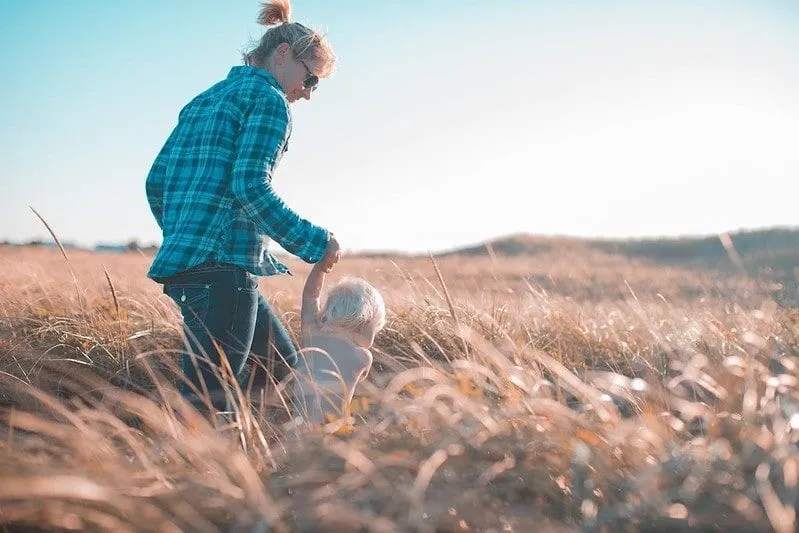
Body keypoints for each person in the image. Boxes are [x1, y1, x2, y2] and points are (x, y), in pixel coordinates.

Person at [145, 0, 338, 413]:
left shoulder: (203, 100)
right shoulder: (270, 101)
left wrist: (186, 236)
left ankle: (286, 470)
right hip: (223, 271)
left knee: (284, 375)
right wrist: (316, 243)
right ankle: (196, 475)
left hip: (192, 266)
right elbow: (250, 186)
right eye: (312, 80)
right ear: (284, 55)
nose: (307, 93)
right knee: (207, 407)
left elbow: (156, 182)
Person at [290, 254, 386, 424]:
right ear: (366, 323)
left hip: (298, 426)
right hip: (333, 430)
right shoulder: (362, 357)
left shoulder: (312, 334)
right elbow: (366, 343)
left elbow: (310, 295)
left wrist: (320, 268)